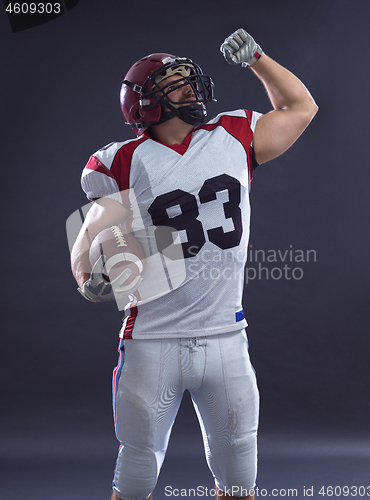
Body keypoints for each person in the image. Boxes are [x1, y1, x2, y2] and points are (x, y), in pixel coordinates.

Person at [70, 28, 317, 500]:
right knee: (137, 471)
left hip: (227, 335)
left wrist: (258, 60)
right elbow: (93, 227)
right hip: (151, 339)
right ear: (143, 103)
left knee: (240, 479)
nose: (188, 88)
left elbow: (301, 108)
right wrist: (85, 274)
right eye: (173, 83)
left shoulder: (234, 134)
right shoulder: (123, 159)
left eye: (188, 79)